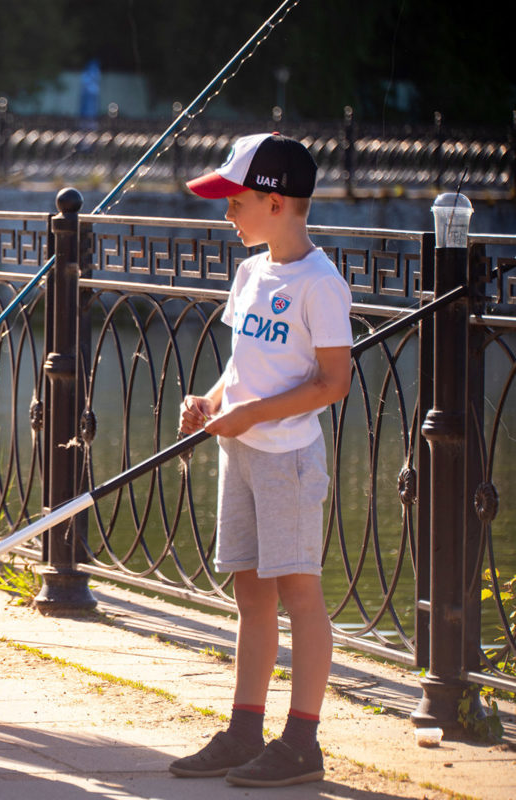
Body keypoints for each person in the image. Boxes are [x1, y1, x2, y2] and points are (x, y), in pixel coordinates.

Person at [171, 133, 352, 788]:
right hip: (238, 450)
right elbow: (241, 364)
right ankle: (244, 731)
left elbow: (332, 383)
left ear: (274, 201)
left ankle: (300, 741)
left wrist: (251, 414)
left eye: (235, 201)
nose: (227, 215)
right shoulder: (251, 272)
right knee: (248, 593)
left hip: (286, 459)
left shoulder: (319, 284)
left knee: (299, 594)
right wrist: (211, 400)